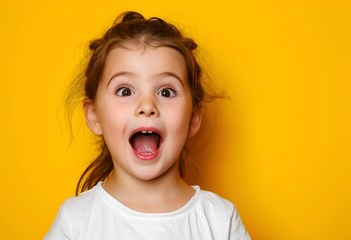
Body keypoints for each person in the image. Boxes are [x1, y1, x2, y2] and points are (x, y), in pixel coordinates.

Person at [45, 11, 251, 240]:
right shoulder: (75, 222)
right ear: (94, 116)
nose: (146, 105)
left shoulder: (220, 221)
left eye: (166, 91)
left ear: (192, 118)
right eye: (125, 91)